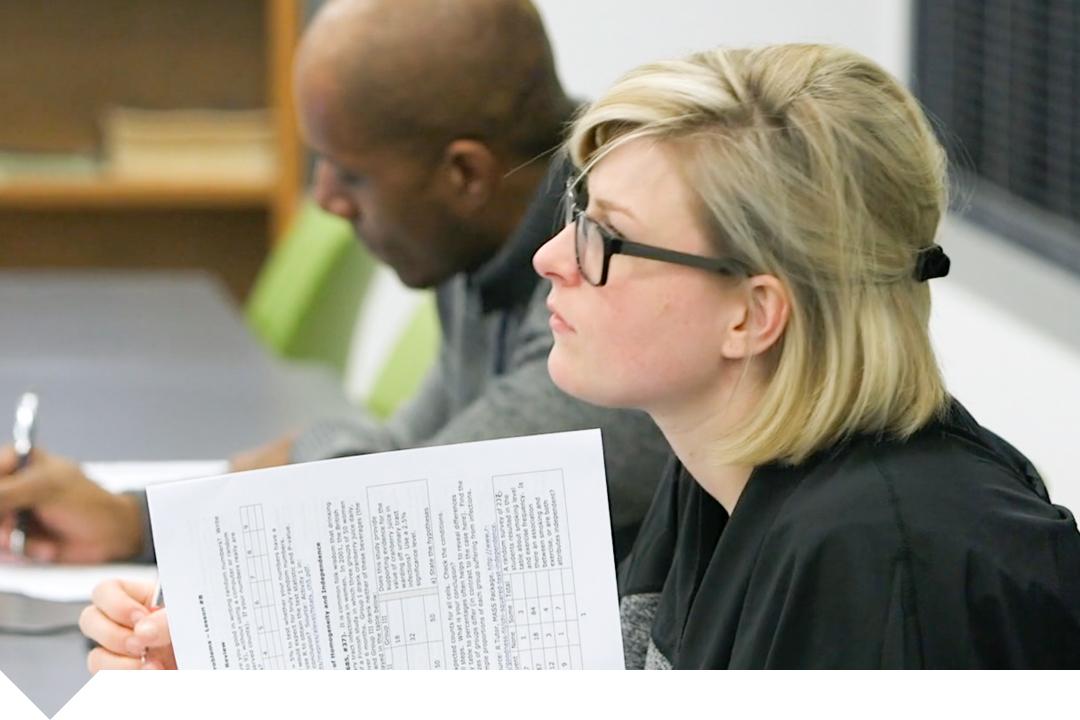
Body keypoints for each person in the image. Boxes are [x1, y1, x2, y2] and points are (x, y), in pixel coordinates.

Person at [4, 0, 671, 670]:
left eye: (349, 172)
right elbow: (401, 458)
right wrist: (131, 520)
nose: (325, 198)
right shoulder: (481, 240)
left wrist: (317, 454)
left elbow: (403, 513)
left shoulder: (619, 288)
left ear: (464, 173)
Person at [529, 44, 1080, 668]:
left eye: (605, 236)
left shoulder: (882, 572)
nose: (550, 257)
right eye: (580, 212)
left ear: (754, 315)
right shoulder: (719, 467)